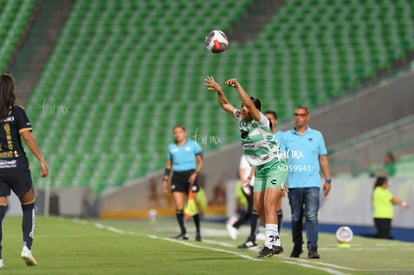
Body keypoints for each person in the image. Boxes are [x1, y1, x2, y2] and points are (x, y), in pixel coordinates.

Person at [205, 76, 288, 259]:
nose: (241, 108)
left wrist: (237, 86)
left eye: (244, 106)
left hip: (275, 165)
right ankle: (275, 243)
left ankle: (268, 246)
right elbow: (225, 105)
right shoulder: (242, 120)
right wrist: (220, 91)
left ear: (254, 109)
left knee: (269, 205)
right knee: (259, 209)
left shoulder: (262, 121)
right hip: (260, 170)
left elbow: (249, 104)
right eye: (241, 106)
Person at [0, 73, 49, 268]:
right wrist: (41, 159)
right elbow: (27, 138)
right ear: (11, 90)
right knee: (28, 206)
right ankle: (26, 248)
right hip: (18, 167)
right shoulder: (18, 112)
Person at [282, 106, 331, 259]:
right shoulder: (286, 136)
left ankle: (313, 247)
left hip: (312, 183)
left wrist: (328, 179)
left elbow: (323, 158)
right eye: (296, 115)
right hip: (293, 184)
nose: (298, 118)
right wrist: (282, 181)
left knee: (311, 215)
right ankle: (297, 245)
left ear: (307, 117)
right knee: (296, 217)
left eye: (302, 115)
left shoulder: (317, 136)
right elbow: (282, 160)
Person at [162, 125, 203, 241]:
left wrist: (195, 174)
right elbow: (169, 164)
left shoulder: (193, 145)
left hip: (191, 175)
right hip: (177, 176)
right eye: (175, 132)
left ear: (185, 133)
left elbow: (200, 161)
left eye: (180, 132)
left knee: (193, 205)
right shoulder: (171, 147)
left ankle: (198, 232)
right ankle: (183, 232)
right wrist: (165, 180)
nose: (177, 134)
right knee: (179, 206)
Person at [226, 155, 259, 249]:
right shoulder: (246, 156)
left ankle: (251, 234)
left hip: (257, 185)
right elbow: (242, 171)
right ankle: (252, 237)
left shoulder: (257, 152)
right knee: (254, 211)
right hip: (250, 185)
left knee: (254, 211)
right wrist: (245, 184)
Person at [264, 110, 284, 232]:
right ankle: (269, 233)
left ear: (275, 120)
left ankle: (276, 234)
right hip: (264, 173)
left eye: (270, 118)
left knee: (276, 205)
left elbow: (285, 156)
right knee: (266, 206)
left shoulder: (281, 136)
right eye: (266, 118)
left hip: (277, 172)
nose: (268, 121)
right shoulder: (263, 135)